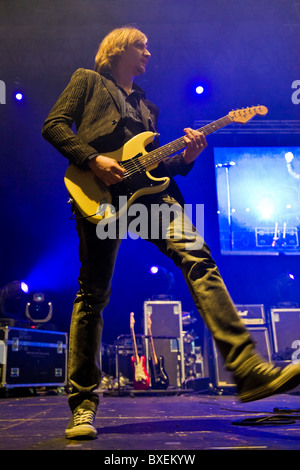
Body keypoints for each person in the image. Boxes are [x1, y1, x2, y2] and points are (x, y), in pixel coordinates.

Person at [42, 26, 300, 440]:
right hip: (99, 197)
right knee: (93, 293)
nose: (149, 52)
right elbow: (53, 126)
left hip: (150, 200)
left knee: (197, 256)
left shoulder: (148, 108)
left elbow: (156, 169)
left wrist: (189, 157)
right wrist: (91, 159)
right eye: (142, 46)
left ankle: (248, 370)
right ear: (118, 49)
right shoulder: (87, 81)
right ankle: (83, 405)